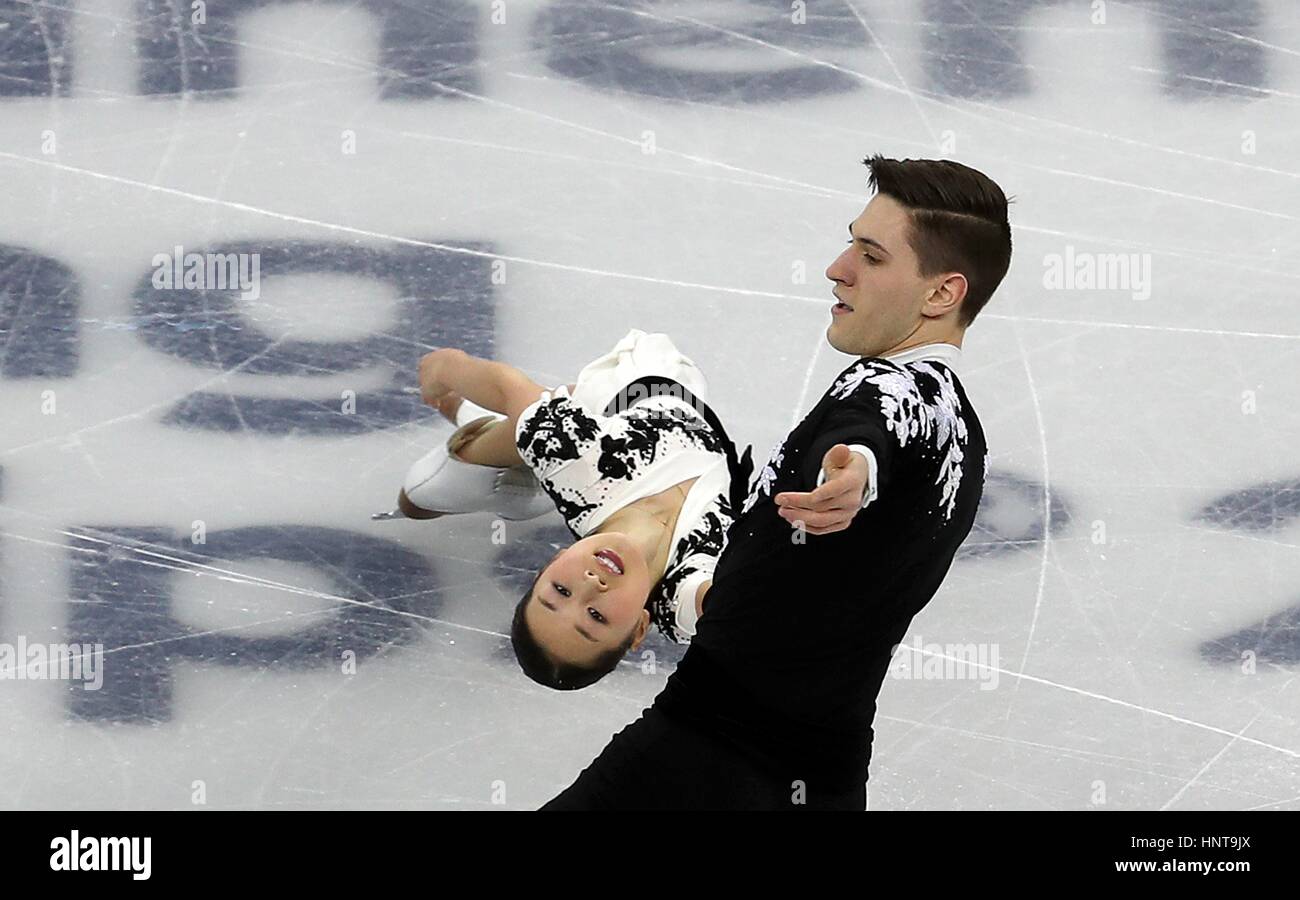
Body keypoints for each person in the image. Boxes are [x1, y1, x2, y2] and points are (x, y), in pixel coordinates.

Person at [540, 154, 1012, 810]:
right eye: (851, 242)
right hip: (821, 769)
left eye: (872, 256)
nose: (838, 268)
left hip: (712, 752)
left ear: (941, 294)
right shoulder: (963, 428)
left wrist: (856, 469)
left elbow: (871, 428)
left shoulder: (891, 388)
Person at [379, 329, 753, 689]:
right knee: (550, 422)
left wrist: (446, 368)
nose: (589, 586)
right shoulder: (684, 592)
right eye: (596, 617)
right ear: (640, 628)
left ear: (550, 565)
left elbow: (508, 388)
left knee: (425, 490)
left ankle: (473, 453)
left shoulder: (584, 468)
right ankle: (516, 477)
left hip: (618, 391)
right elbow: (736, 611)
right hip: (663, 393)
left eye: (560, 589)